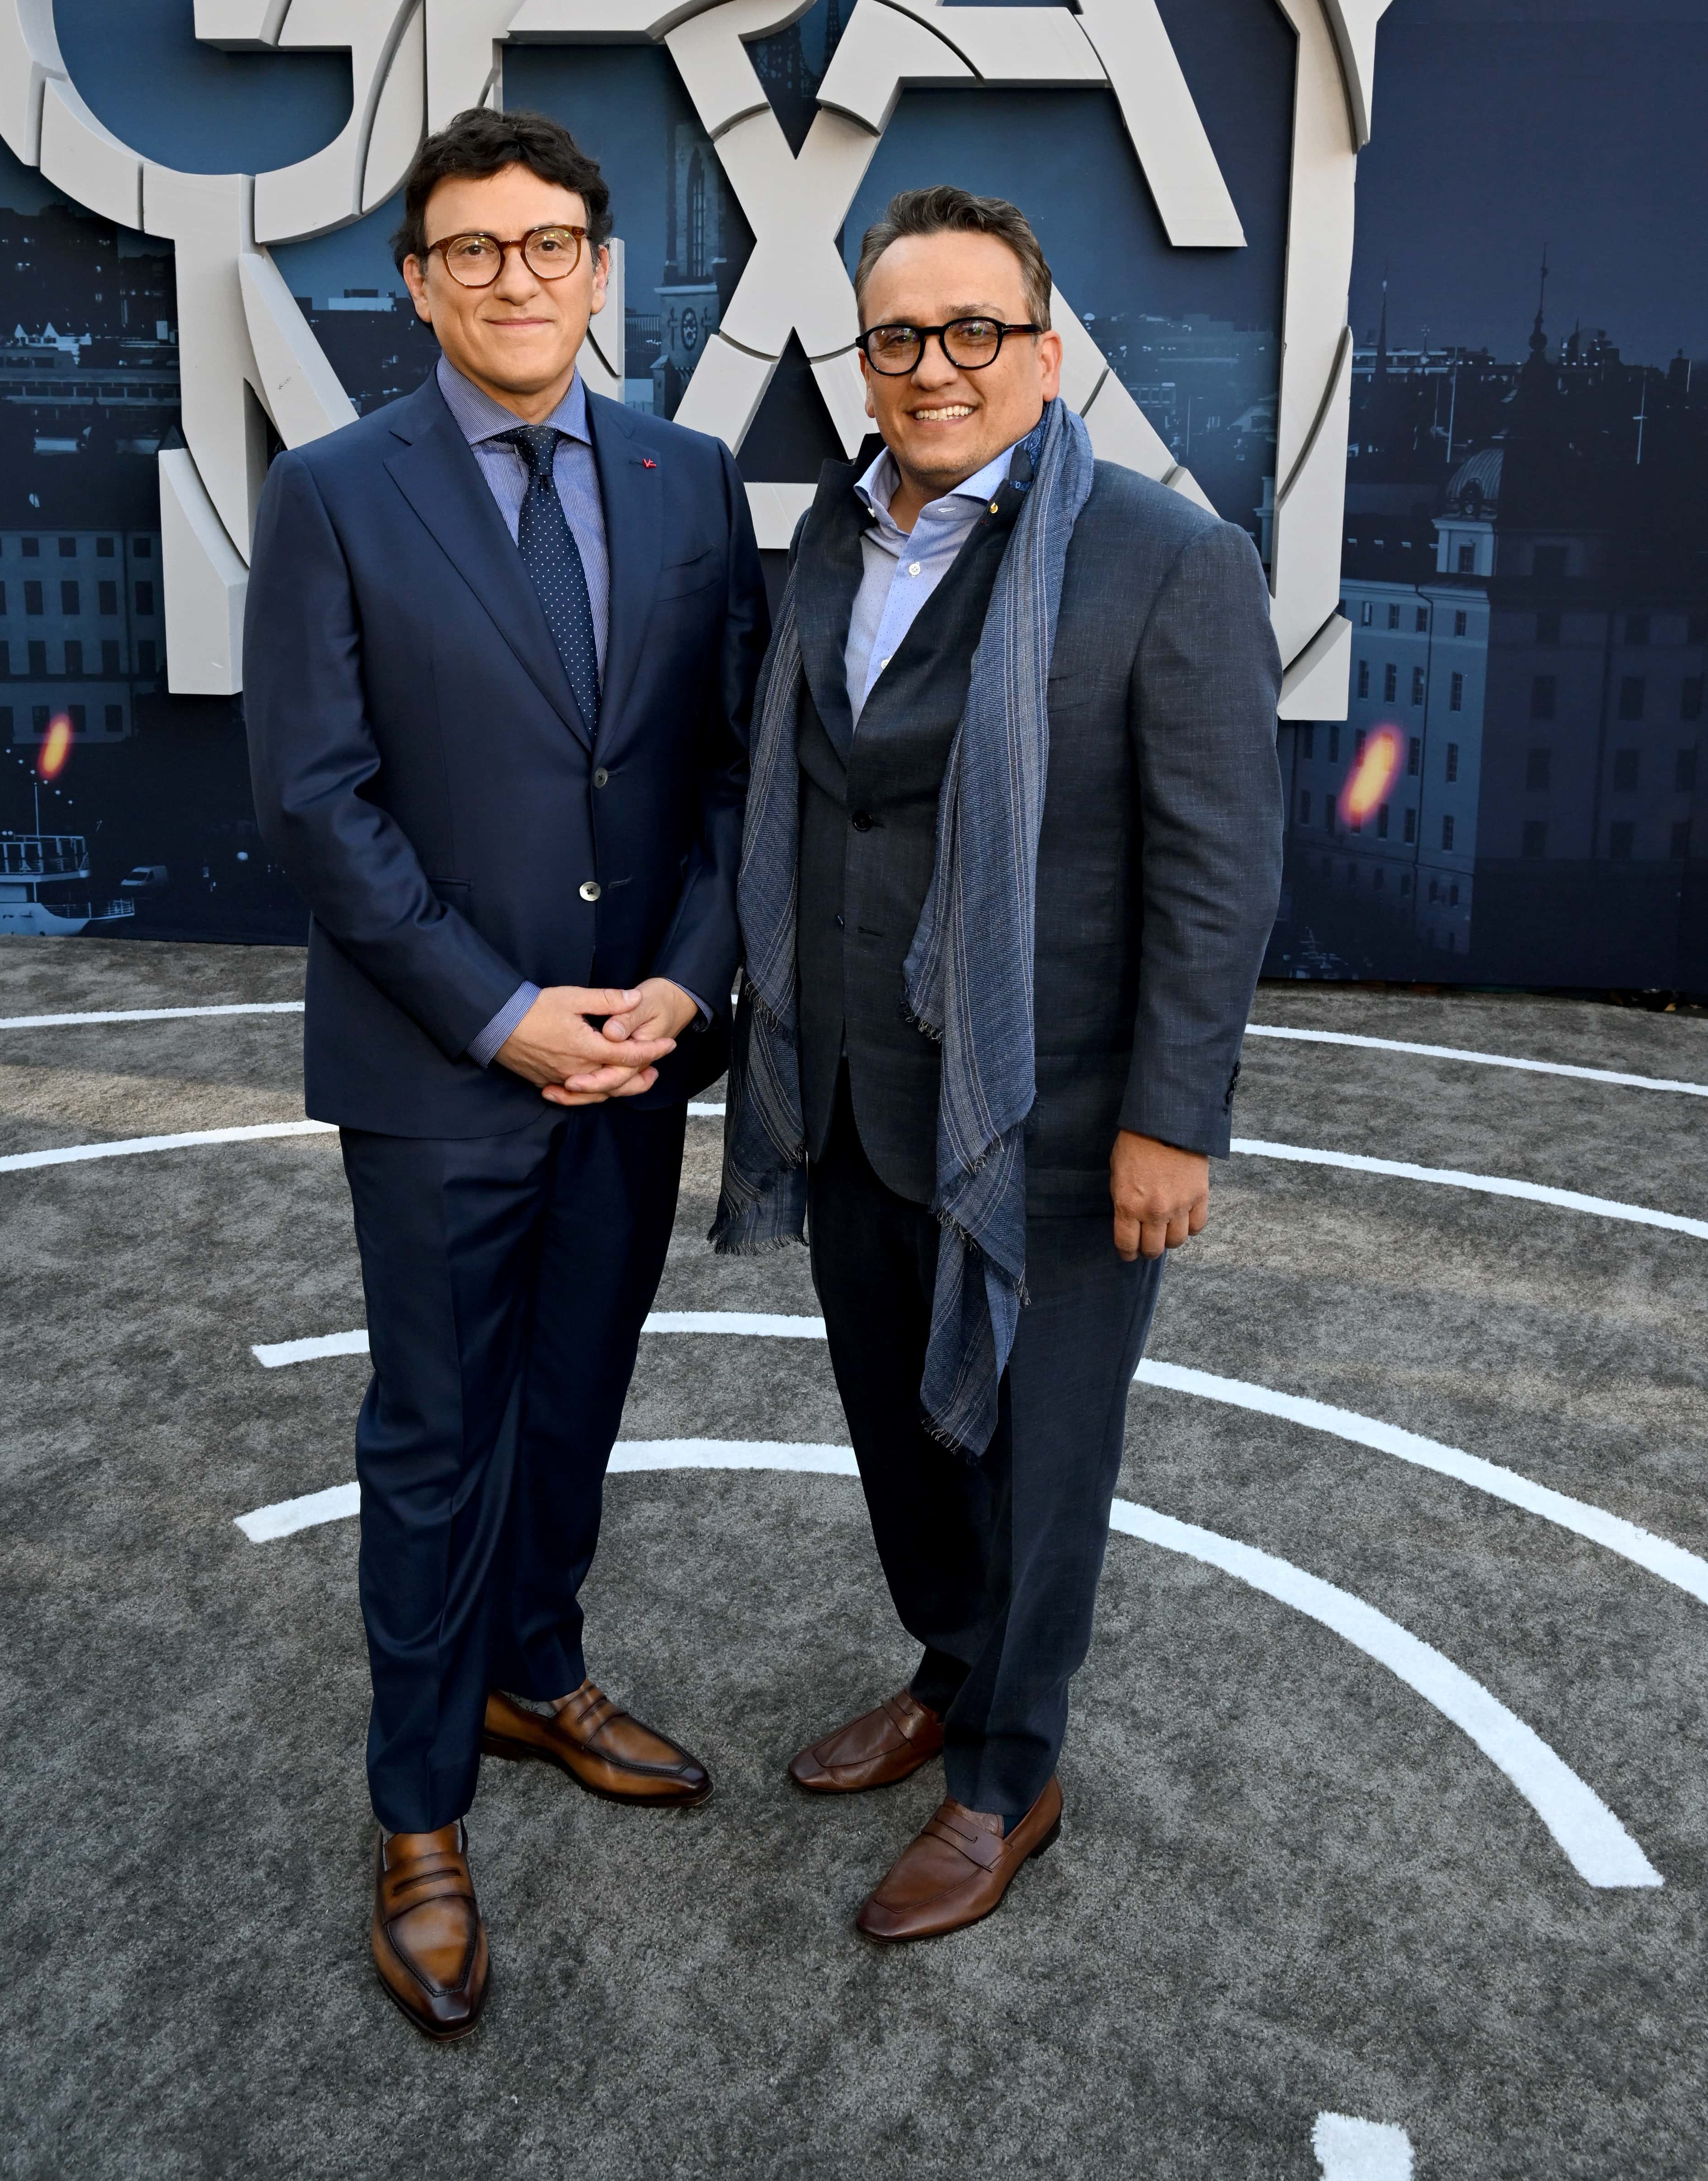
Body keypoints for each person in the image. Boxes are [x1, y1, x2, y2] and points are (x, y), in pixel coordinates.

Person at [245, 107, 767, 2038]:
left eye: (550, 243)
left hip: (634, 1063)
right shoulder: (331, 493)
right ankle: (419, 1810)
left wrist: (680, 988)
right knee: (434, 1433)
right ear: (418, 282)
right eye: (473, 249)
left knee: (572, 1404)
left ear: (599, 268)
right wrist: (500, 1011)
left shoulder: (690, 481)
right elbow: (317, 802)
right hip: (442, 1070)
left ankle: (534, 1674)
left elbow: (729, 775)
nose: (516, 277)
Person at [717, 183, 1283, 1942]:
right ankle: (951, 1665)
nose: (935, 366)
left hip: (1050, 1108)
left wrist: (1170, 1121)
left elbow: (1217, 870)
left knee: (1041, 1460)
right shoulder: (829, 539)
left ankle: (1007, 1770)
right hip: (846, 1093)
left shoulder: (1168, 560)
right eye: (899, 336)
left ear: (1045, 355)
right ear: (860, 361)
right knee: (900, 1429)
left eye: (976, 331)